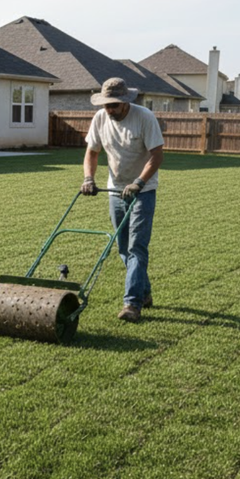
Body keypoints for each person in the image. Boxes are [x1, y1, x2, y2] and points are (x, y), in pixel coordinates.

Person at [81, 77, 164, 322]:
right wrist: (88, 178)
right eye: (106, 105)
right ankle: (144, 293)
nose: (109, 110)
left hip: (143, 190)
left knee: (137, 246)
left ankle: (132, 304)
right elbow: (92, 152)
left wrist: (139, 182)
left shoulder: (144, 117)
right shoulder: (100, 118)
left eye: (114, 105)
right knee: (123, 247)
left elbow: (157, 155)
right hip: (115, 189)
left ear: (125, 102)